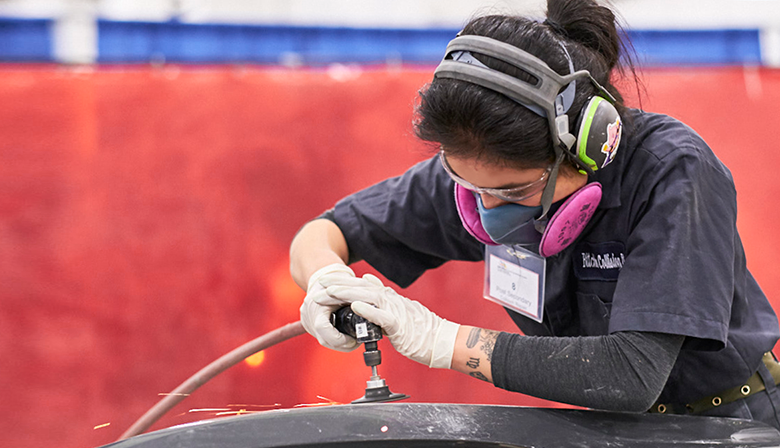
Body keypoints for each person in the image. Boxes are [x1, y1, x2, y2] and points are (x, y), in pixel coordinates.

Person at [289, 0, 780, 428]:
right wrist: (327, 280)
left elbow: (630, 374)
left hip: (728, 421)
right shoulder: (480, 169)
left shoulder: (672, 171)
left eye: (514, 190)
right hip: (610, 427)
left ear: (588, 147)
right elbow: (326, 232)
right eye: (469, 184)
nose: (486, 206)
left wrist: (439, 339)